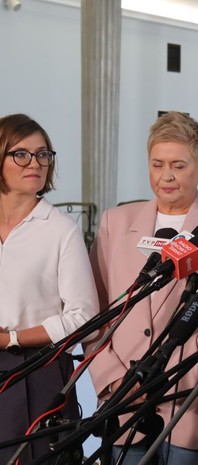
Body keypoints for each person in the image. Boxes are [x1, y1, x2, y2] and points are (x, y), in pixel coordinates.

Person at [87, 112, 198, 465]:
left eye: (179, 165)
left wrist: (166, 378)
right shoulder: (115, 222)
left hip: (194, 398)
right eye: (157, 164)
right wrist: (114, 379)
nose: (166, 176)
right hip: (123, 399)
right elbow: (97, 310)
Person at [0, 113, 99, 463]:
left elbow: (85, 318)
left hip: (38, 369)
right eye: (21, 154)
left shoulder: (60, 230)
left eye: (43, 154)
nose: (35, 163)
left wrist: (12, 339)